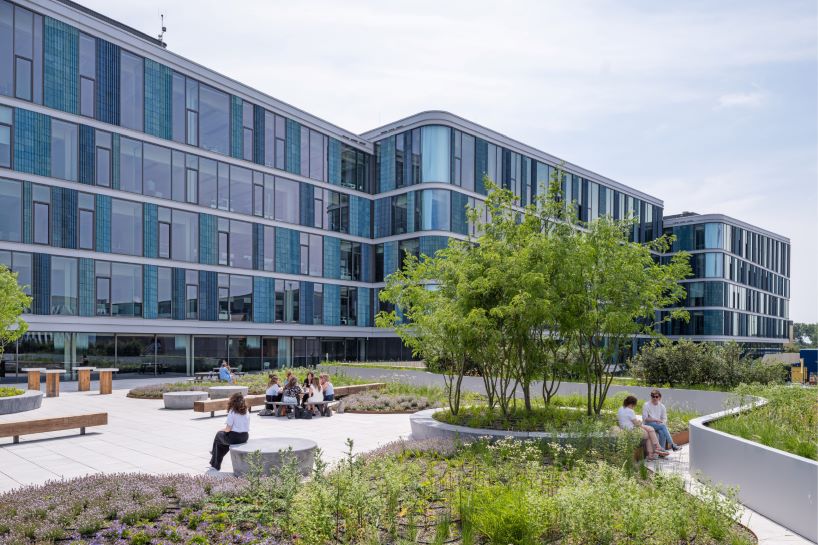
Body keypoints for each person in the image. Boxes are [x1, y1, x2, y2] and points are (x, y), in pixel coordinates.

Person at [617, 395, 668, 461]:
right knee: (649, 432)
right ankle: (656, 449)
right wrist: (639, 422)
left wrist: (638, 422)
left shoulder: (620, 408)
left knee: (650, 430)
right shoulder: (630, 411)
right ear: (633, 404)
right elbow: (636, 424)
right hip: (632, 430)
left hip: (625, 428)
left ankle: (654, 452)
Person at [209, 392, 249, 471]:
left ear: (233, 401)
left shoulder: (232, 411)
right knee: (222, 444)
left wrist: (221, 430)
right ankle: (214, 458)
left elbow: (228, 429)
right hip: (245, 436)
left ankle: (215, 461)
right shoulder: (246, 411)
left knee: (219, 435)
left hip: (234, 437)